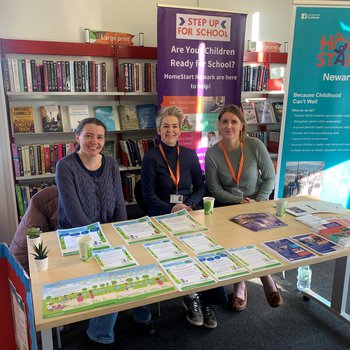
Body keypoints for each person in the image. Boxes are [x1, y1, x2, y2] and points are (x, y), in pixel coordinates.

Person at [55, 118, 154, 350]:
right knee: (112, 268)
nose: (94, 141)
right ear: (77, 137)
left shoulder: (110, 164)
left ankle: (141, 314)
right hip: (76, 236)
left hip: (110, 231)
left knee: (137, 258)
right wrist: (106, 243)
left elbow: (120, 205)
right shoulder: (65, 166)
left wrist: (121, 236)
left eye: (100, 137)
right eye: (88, 135)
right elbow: (74, 215)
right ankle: (99, 333)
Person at [141, 105, 227, 329]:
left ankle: (206, 301)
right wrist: (172, 210)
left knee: (207, 248)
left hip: (189, 211)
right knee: (182, 250)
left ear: (181, 130)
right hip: (162, 214)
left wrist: (187, 204)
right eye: (166, 126)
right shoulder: (150, 158)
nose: (171, 130)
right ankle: (191, 296)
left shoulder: (189, 155)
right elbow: (147, 195)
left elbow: (201, 187)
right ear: (159, 130)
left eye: (175, 126)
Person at [205, 104, 283, 311]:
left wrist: (258, 202)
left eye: (234, 122)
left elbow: (269, 179)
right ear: (219, 125)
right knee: (237, 238)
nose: (229, 126)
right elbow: (214, 189)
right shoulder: (212, 153)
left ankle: (265, 276)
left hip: (258, 201)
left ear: (241, 126)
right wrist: (239, 202)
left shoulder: (255, 145)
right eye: (224, 122)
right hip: (229, 205)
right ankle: (242, 282)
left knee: (255, 234)